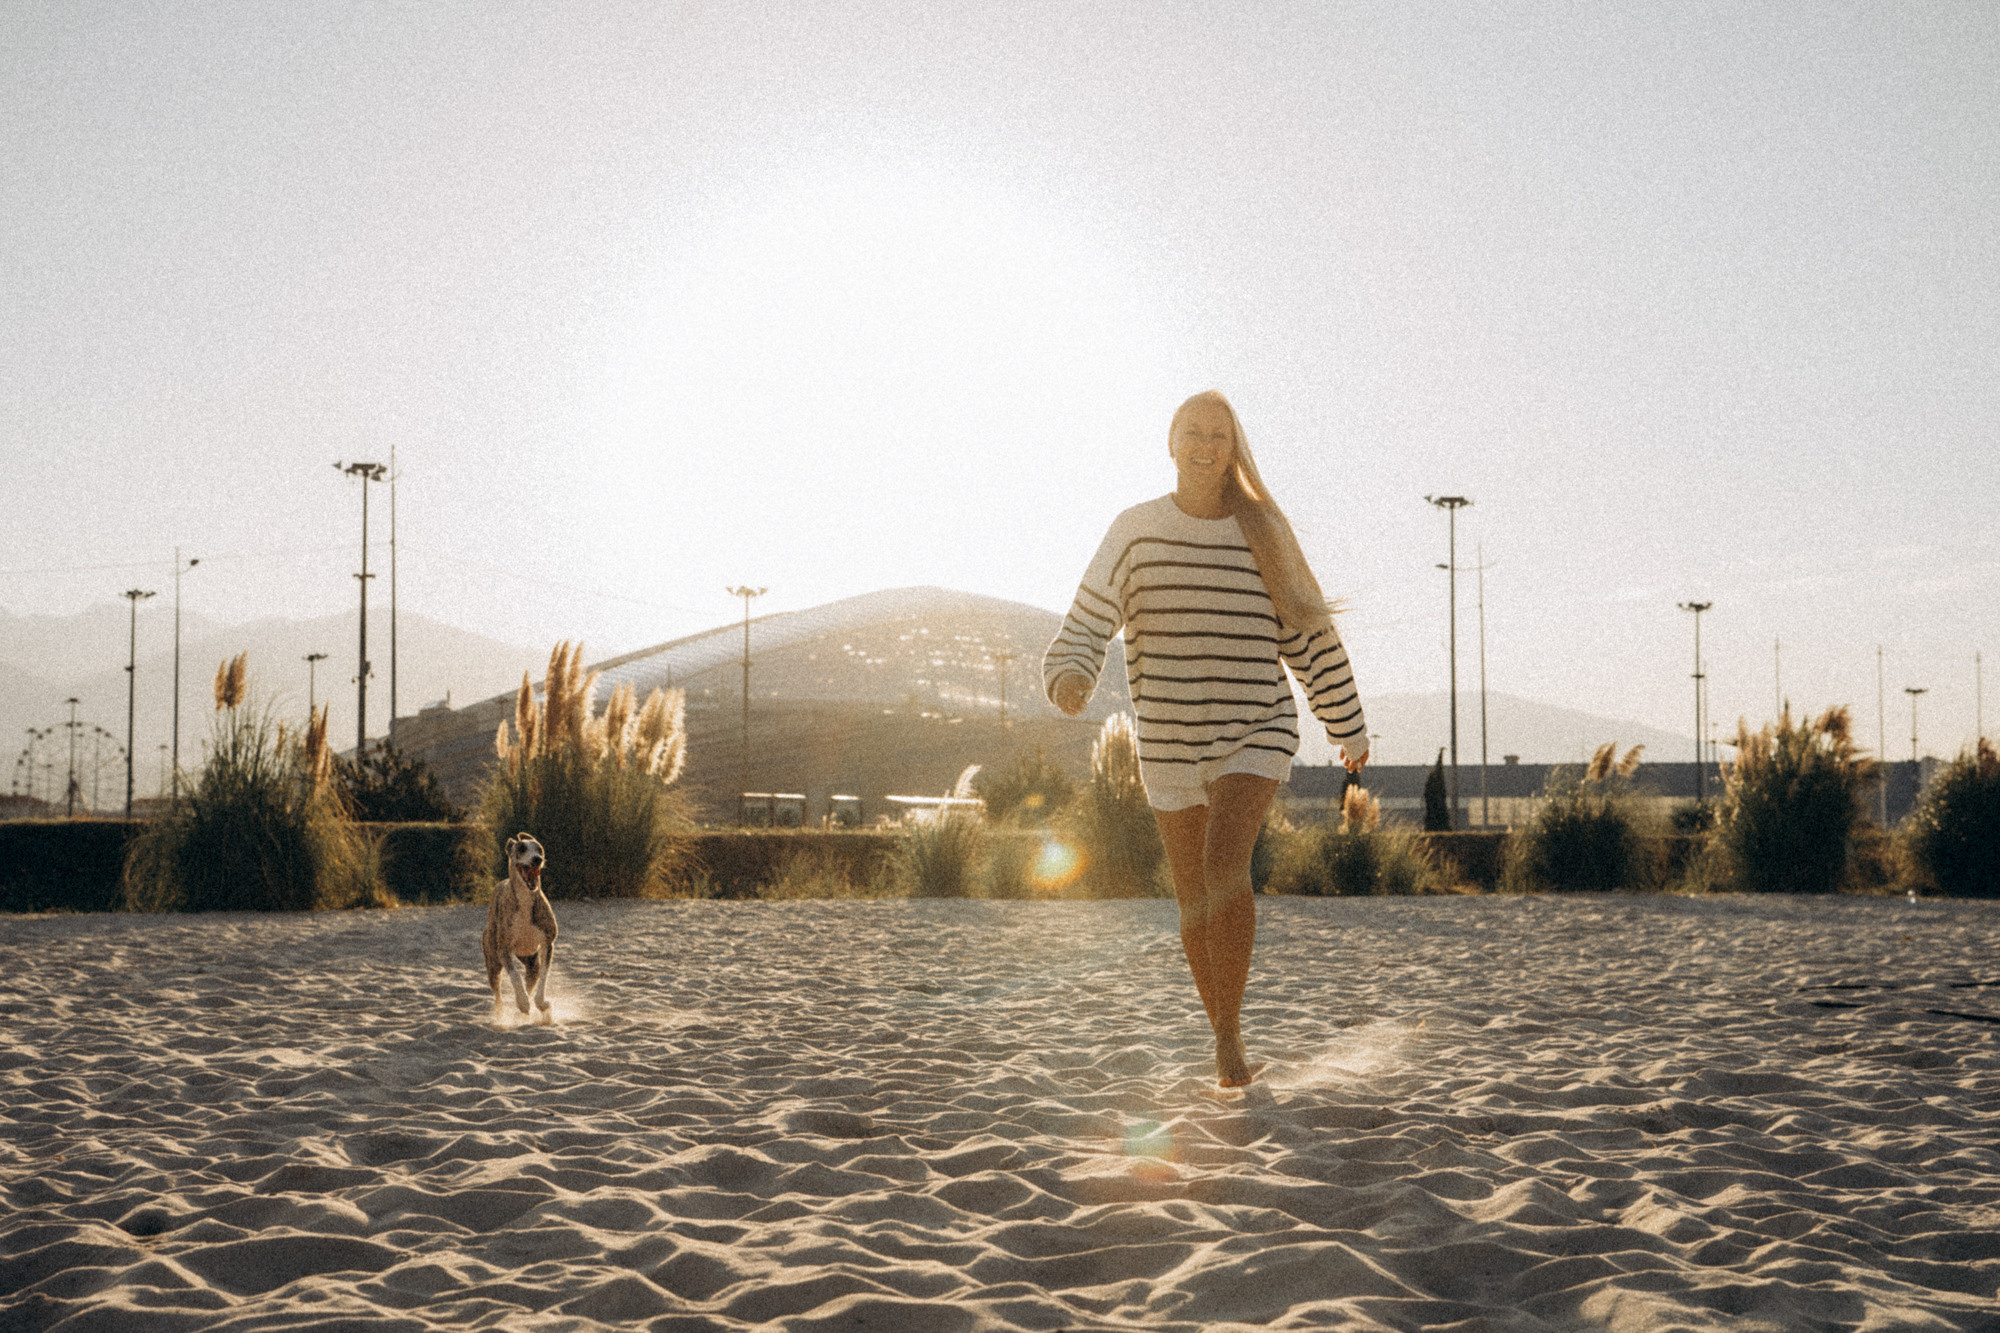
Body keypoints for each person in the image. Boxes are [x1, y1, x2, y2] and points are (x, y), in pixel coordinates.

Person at [1044, 390, 1369, 1087]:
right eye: (1193, 432)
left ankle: (1230, 1042)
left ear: (1234, 447)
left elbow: (1310, 634)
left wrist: (1346, 724)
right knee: (1193, 901)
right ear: (1170, 442)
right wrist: (1070, 673)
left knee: (1226, 865)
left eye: (1219, 435)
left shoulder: (1264, 533)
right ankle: (1224, 1029)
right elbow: (1088, 616)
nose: (1206, 445)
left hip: (1255, 726)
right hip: (1167, 737)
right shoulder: (1135, 531)